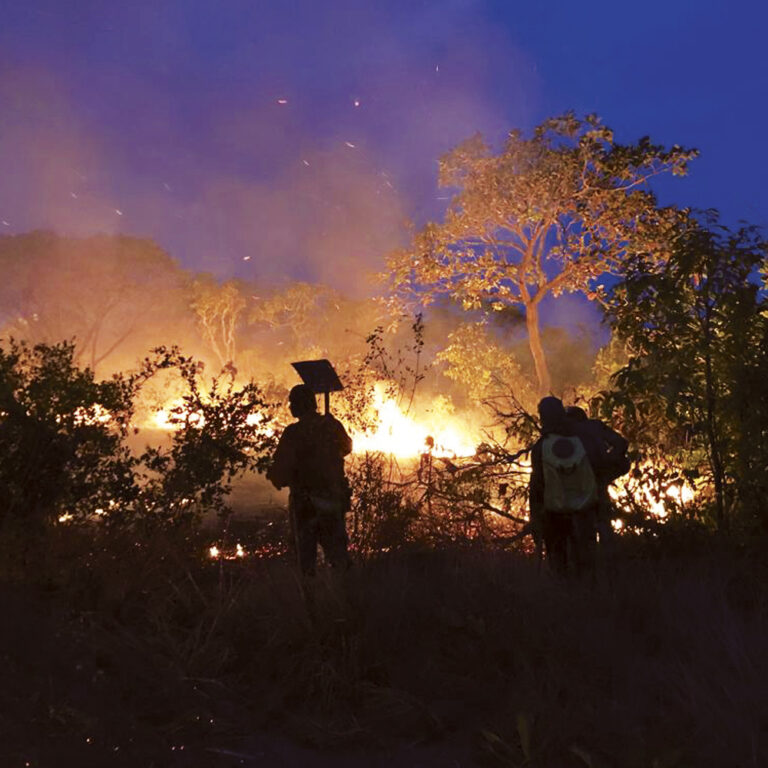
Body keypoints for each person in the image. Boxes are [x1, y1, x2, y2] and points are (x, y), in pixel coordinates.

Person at [266, 384, 353, 577]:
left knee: (306, 562)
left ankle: (311, 602)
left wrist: (275, 475)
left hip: (305, 505)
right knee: (339, 557)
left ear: (300, 405)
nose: (290, 407)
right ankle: (346, 598)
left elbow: (281, 472)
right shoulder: (331, 425)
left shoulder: (293, 433)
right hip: (332, 500)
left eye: (292, 403)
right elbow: (347, 448)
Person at [529, 397, 602, 577]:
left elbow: (537, 486)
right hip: (585, 509)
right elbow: (597, 469)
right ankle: (590, 598)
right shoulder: (583, 441)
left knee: (558, 564)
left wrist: (536, 520)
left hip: (554, 512)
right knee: (587, 564)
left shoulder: (541, 447)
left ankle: (563, 599)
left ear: (543, 418)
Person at [565, 405, 629, 552]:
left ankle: (592, 562)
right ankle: (609, 560)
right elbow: (621, 443)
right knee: (603, 522)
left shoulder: (567, 432)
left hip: (581, 486)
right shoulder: (595, 426)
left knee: (584, 529)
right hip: (598, 479)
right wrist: (607, 461)